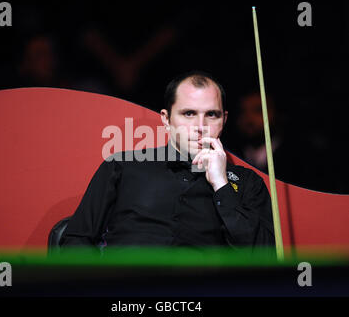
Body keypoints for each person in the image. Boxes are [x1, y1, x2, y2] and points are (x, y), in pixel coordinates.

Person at [59, 71, 275, 251]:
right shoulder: (123, 166)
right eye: (189, 113)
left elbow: (264, 257)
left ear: (224, 120)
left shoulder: (247, 183)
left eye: (212, 114)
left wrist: (221, 186)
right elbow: (75, 241)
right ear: (166, 119)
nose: (201, 126)